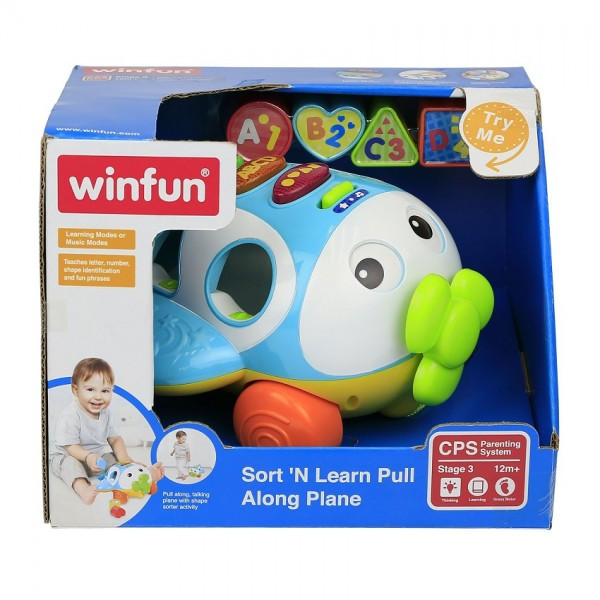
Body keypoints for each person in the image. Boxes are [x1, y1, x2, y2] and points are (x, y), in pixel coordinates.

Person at [50, 358, 164, 504]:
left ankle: (141, 476)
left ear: (112, 391)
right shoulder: (70, 415)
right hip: (67, 456)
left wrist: (124, 459)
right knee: (69, 465)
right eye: (90, 390)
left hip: (97, 459)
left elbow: (115, 439)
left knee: (114, 460)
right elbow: (70, 446)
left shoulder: (106, 414)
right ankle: (83, 489)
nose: (98, 397)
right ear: (76, 390)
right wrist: (87, 456)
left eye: (105, 391)